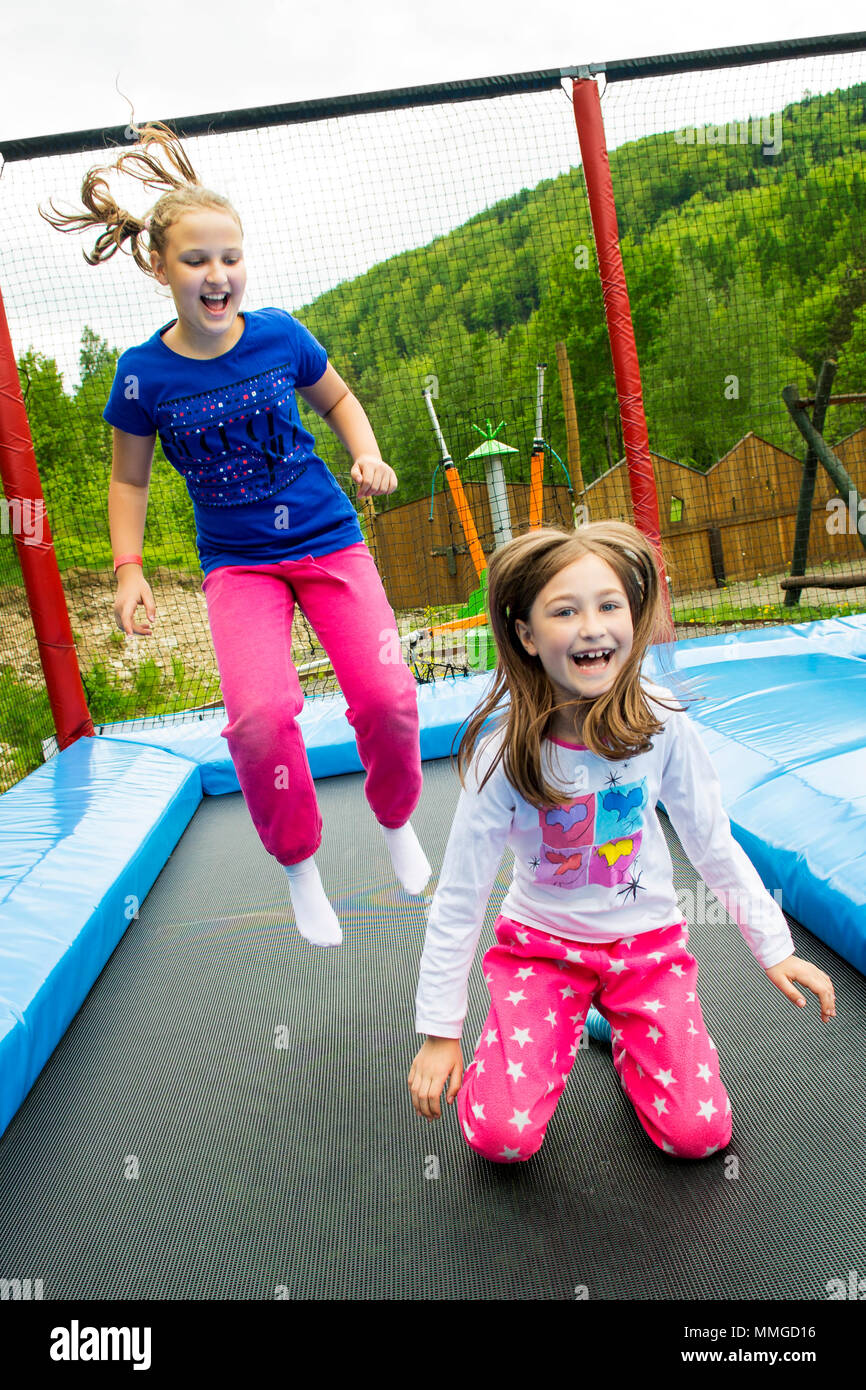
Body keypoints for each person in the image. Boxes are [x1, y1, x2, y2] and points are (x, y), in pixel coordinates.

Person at [41, 121, 430, 948]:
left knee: (390, 696)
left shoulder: (281, 336)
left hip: (329, 539)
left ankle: (395, 819)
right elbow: (129, 478)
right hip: (240, 566)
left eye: (230, 258)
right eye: (196, 260)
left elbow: (341, 401)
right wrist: (128, 566)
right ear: (160, 268)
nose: (217, 276)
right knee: (259, 719)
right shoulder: (144, 376)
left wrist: (368, 456)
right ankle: (298, 865)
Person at [408, 521, 836, 1161]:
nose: (592, 626)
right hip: (541, 950)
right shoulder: (503, 755)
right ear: (525, 636)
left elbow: (711, 842)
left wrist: (774, 947)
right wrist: (440, 1029)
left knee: (699, 1136)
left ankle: (615, 1020)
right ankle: (544, 1026)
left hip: (646, 948)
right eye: (564, 611)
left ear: (632, 620)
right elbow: (462, 896)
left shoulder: (661, 724)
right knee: (499, 1139)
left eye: (609, 606)